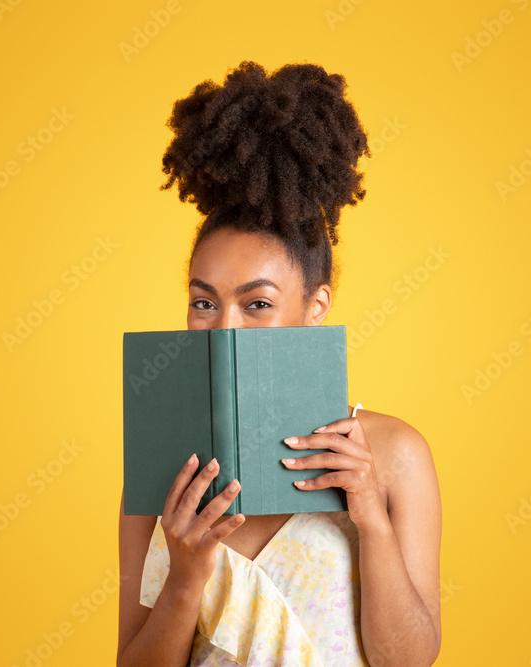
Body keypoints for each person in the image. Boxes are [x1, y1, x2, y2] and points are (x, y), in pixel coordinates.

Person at [117, 60, 441, 667]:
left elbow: (411, 661)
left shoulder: (395, 455)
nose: (225, 327)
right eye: (203, 302)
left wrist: (370, 518)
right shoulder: (163, 466)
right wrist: (185, 578)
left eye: (257, 303)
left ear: (315, 306)